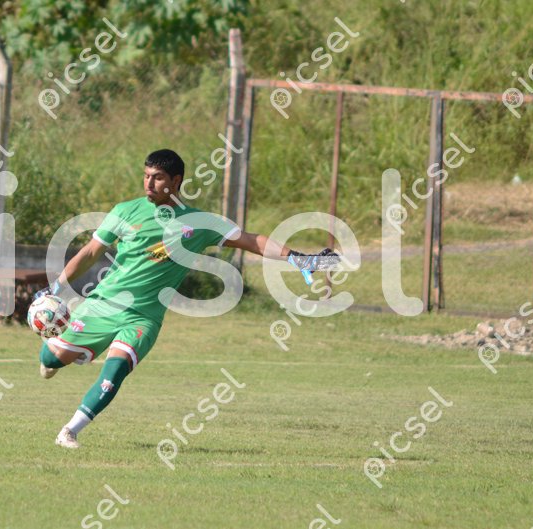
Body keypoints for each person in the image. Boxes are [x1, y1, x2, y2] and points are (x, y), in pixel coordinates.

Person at [35, 149, 337, 448]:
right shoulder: (125, 211)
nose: (149, 183)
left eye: (158, 177)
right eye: (146, 176)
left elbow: (251, 240)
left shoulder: (198, 222)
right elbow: (90, 252)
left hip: (144, 317)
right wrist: (56, 288)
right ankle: (56, 357)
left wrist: (296, 258)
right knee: (51, 360)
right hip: (103, 305)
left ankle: (69, 431)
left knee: (115, 371)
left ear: (176, 181)